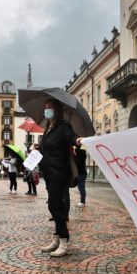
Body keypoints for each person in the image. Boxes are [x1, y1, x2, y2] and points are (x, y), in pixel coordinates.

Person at [38, 99, 82, 257]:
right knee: (57, 207)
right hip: (49, 173)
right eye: (45, 108)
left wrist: (77, 140)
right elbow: (48, 149)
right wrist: (39, 147)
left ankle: (64, 241)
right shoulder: (48, 129)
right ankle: (56, 239)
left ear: (56, 109)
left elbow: (72, 137)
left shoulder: (63, 127)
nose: (46, 110)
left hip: (59, 173)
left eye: (49, 108)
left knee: (54, 206)